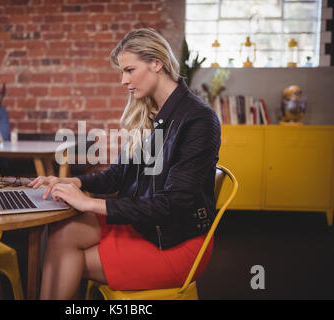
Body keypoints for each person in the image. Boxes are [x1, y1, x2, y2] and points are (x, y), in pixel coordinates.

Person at [29, 28, 221, 300]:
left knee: (68, 259)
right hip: (148, 227)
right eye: (122, 72)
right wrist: (75, 182)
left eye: (130, 70)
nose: (123, 80)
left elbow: (173, 204)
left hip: (177, 244)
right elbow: (119, 174)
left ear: (157, 63)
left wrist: (90, 203)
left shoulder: (199, 120)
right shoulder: (155, 112)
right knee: (61, 232)